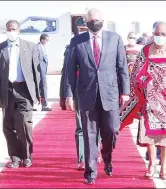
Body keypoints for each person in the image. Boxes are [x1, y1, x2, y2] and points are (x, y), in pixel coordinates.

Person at [64, 8, 130, 184]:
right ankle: (90, 172)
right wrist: (69, 95)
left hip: (110, 93)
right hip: (87, 95)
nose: (95, 22)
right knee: (89, 134)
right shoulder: (77, 42)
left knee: (112, 130)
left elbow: (122, 67)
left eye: (97, 19)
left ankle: (107, 157)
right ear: (86, 22)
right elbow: (70, 71)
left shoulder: (114, 39)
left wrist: (125, 91)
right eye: (91, 20)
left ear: (103, 20)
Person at [129, 22, 166, 180]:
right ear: (153, 33)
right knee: (150, 133)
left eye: (163, 34)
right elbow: (135, 73)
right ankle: (152, 164)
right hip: (150, 99)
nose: (160, 37)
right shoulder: (146, 50)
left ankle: (163, 167)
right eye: (157, 33)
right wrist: (137, 93)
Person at [0, 20, 41, 168]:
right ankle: (15, 157)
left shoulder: (30, 47)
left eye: (14, 29)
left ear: (19, 30)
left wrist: (39, 94)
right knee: (8, 126)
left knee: (24, 124)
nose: (11, 31)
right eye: (9, 29)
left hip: (24, 90)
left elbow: (36, 72)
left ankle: (26, 155)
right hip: (7, 90)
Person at [60, 30, 102, 171]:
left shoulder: (101, 45)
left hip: (98, 92)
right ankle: (83, 158)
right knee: (81, 127)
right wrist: (66, 95)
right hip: (80, 92)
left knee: (97, 126)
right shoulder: (73, 47)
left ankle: (95, 153)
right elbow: (67, 72)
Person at [36, 34, 52, 111]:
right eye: (47, 40)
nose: (47, 42)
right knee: (42, 87)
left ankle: (44, 104)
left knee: (43, 87)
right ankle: (43, 104)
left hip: (43, 71)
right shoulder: (37, 47)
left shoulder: (43, 47)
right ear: (42, 40)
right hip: (39, 71)